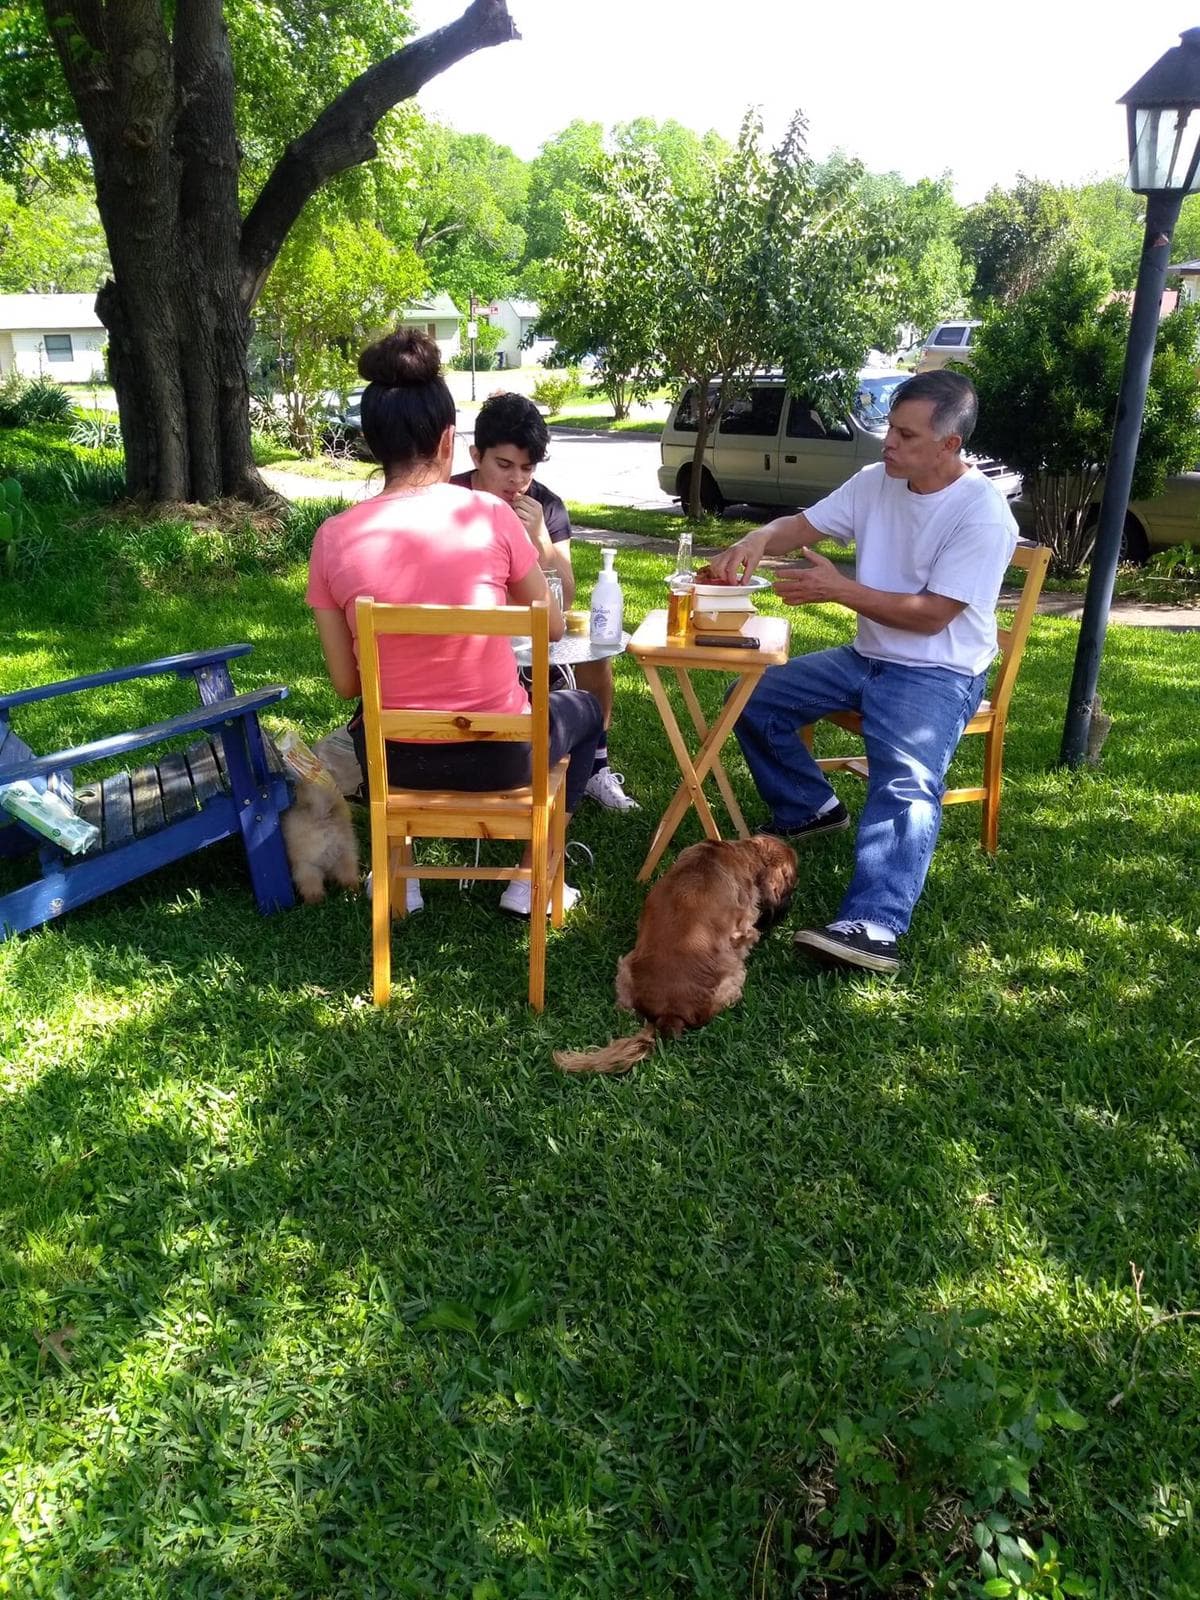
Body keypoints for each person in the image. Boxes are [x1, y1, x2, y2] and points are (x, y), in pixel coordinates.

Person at [708, 370, 1018, 976]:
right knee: (751, 696)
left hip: (937, 671)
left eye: (905, 435)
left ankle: (874, 924)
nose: (889, 443)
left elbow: (933, 618)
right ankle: (811, 808)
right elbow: (801, 526)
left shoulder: (982, 514)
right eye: (890, 428)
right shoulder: (878, 480)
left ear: (950, 444)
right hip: (868, 658)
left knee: (904, 779)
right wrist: (756, 538)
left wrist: (840, 590)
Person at [305, 329, 603, 918]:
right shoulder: (491, 515)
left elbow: (346, 684)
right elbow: (549, 631)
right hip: (502, 758)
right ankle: (528, 878)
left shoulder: (331, 538)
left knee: (377, 709)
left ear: (372, 442)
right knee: (587, 711)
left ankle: (403, 875)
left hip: (394, 761)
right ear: (448, 441)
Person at [450, 391, 641, 813]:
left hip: (530, 628)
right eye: (504, 465)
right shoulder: (450, 498)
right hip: (466, 632)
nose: (517, 480)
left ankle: (595, 767)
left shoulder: (544, 505)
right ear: (476, 455)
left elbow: (567, 596)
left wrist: (539, 541)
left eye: (527, 468)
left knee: (596, 656)